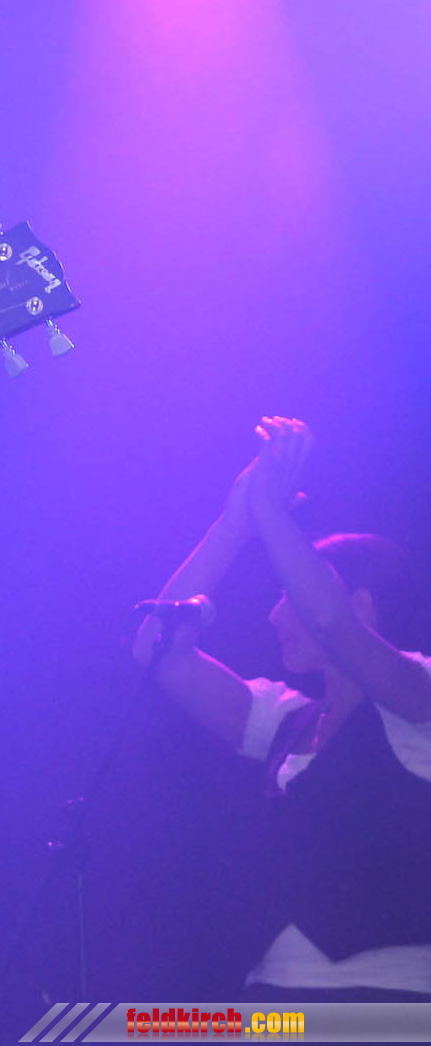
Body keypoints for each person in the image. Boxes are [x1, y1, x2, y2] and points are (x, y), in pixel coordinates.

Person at [135, 416, 431, 1002]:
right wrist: (235, 522)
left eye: (289, 595)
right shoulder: (286, 720)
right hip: (273, 1005)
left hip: (390, 1005)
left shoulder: (419, 693)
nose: (274, 616)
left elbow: (331, 621)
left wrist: (273, 514)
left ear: (364, 606)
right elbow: (157, 650)